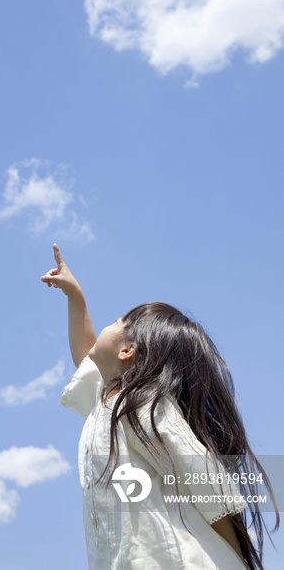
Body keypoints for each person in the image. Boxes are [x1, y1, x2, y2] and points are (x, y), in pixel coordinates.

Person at [41, 244, 279, 570]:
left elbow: (211, 487)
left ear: (127, 350)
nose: (106, 327)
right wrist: (75, 296)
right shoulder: (109, 402)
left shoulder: (143, 405)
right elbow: (86, 355)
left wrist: (239, 561)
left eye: (116, 321)